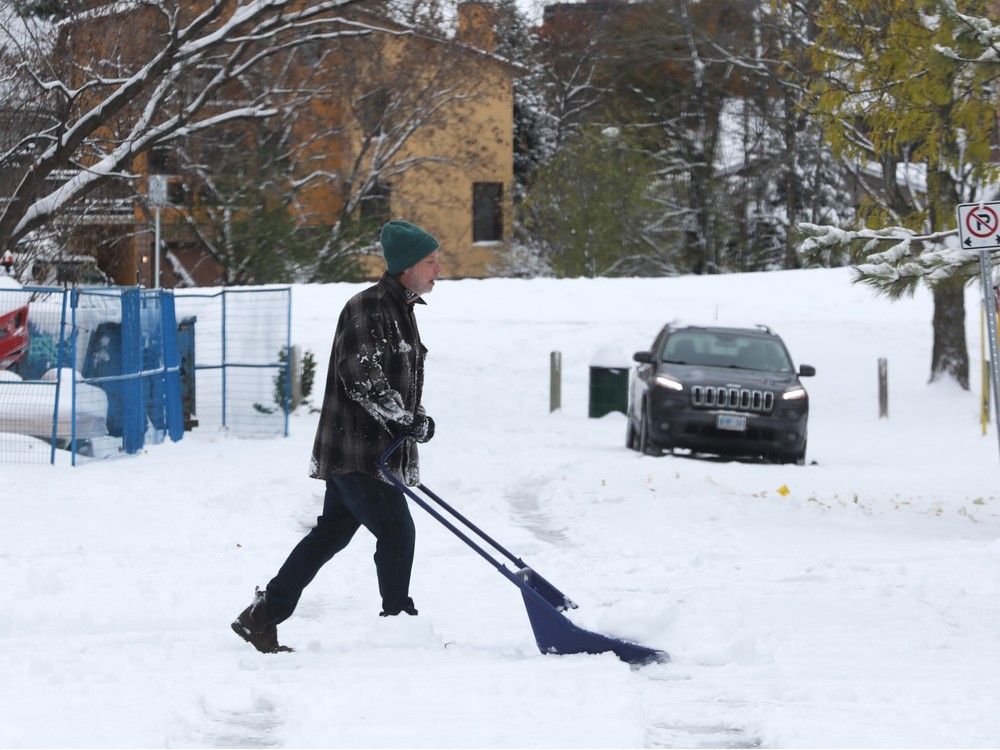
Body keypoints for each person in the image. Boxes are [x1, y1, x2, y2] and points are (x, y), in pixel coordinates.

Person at [232, 219, 441, 653]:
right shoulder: (367, 307)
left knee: (331, 534)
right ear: (407, 266)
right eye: (430, 261)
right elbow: (360, 375)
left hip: (374, 450)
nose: (438, 268)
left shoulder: (402, 311)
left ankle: (263, 615)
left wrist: (416, 417)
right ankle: (399, 625)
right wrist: (402, 418)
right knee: (398, 533)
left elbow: (398, 384)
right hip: (359, 451)